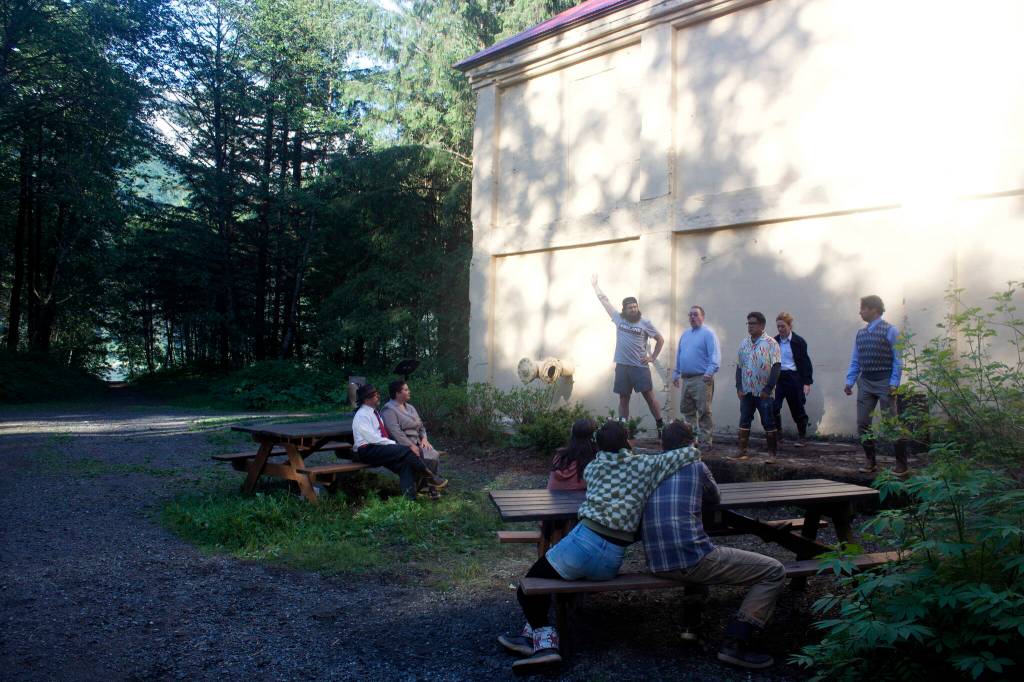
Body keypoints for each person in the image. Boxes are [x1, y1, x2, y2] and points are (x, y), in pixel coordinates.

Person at [497, 420, 700, 673]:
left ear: (597, 445)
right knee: (557, 582)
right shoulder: (645, 465)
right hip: (611, 561)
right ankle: (530, 637)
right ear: (627, 441)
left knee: (528, 587)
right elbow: (686, 454)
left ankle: (546, 645)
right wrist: (692, 442)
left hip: (583, 544)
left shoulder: (593, 468)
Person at [642, 421, 786, 670]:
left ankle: (692, 625)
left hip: (656, 561)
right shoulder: (696, 466)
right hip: (690, 559)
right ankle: (736, 642)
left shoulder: (646, 468)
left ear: (662, 445)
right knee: (774, 570)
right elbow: (714, 497)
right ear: (691, 443)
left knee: (696, 549)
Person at [591, 274, 666, 435]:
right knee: (623, 399)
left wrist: (652, 357)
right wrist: (595, 286)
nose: (633, 309)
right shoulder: (618, 318)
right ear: (624, 310)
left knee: (649, 397)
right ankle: (622, 430)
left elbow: (660, 339)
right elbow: (605, 301)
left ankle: (661, 426)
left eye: (635, 307)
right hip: (622, 366)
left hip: (639, 366)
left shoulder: (645, 323)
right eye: (630, 307)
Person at [843, 295, 909, 475]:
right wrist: (850, 381)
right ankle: (870, 461)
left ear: (874, 309)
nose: (860, 312)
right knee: (862, 422)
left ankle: (901, 464)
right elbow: (856, 360)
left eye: (863, 308)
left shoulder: (891, 330)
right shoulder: (861, 333)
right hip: (865, 382)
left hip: (885, 381)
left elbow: (898, 359)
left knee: (891, 423)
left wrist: (894, 383)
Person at [351, 383, 447, 500]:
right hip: (367, 450)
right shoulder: (362, 415)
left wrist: (394, 445)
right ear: (367, 399)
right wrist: (393, 444)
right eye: (375, 395)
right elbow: (372, 438)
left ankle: (410, 499)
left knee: (404, 465)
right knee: (407, 450)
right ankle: (430, 477)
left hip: (378, 448)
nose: (378, 397)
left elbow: (380, 437)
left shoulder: (374, 413)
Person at [380, 380, 443, 500]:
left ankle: (428, 486)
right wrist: (410, 446)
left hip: (418, 441)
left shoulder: (410, 407)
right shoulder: (388, 410)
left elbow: (421, 426)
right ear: (397, 393)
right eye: (406, 389)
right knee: (425, 457)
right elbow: (396, 433)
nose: (409, 392)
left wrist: (424, 439)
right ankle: (429, 487)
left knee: (433, 454)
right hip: (402, 445)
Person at [733, 312, 782, 461]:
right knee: (744, 420)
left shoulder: (771, 343)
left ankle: (772, 455)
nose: (750, 326)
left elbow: (776, 367)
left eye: (753, 323)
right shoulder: (744, 343)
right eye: (748, 323)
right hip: (747, 391)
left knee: (768, 421)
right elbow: (739, 367)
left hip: (763, 392)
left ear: (762, 325)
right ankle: (742, 451)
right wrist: (739, 387)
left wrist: (768, 388)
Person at [672, 305, 721, 450]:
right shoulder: (685, 334)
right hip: (686, 379)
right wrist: (676, 373)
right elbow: (680, 355)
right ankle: (691, 440)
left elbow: (715, 356)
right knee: (688, 411)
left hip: (702, 378)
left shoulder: (708, 334)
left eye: (695, 314)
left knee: (704, 411)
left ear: (702, 317)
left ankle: (706, 441)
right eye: (690, 315)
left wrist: (710, 372)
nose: (692, 317)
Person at [772, 312, 813, 448]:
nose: (780, 329)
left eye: (783, 326)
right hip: (778, 377)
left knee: (797, 408)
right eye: (778, 326)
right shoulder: (774, 341)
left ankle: (802, 436)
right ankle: (778, 435)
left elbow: (805, 362)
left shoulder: (798, 342)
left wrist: (807, 382)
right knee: (774, 406)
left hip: (793, 377)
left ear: (790, 326)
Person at [547, 418, 597, 491]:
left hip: (555, 500)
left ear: (572, 435)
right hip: (581, 501)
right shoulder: (595, 460)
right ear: (593, 437)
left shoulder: (560, 456)